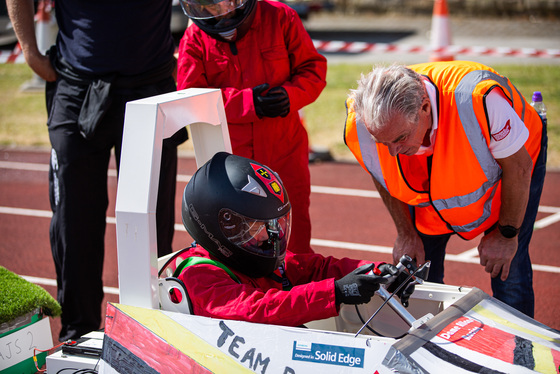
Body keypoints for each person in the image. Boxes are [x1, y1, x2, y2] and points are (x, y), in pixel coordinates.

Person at [6, 0, 188, 341]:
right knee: (74, 219)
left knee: (151, 223)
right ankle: (77, 332)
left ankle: (149, 332)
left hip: (151, 86)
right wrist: (29, 52)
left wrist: (188, 52)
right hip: (77, 86)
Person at [344, 61, 547, 318]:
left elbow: (519, 168)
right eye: (381, 142)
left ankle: (519, 355)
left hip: (512, 168)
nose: (392, 152)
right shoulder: (364, 122)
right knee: (417, 275)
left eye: (399, 139)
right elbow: (382, 173)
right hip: (433, 193)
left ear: (425, 108)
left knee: (510, 270)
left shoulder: (479, 100)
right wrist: (405, 233)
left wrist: (506, 234)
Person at [174, 152, 412, 325]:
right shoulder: (199, 274)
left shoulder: (256, 255)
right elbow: (257, 310)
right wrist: (335, 292)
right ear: (222, 227)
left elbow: (316, 268)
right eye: (256, 228)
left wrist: (376, 272)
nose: (270, 236)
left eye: (273, 225)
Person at [176, 0, 327, 254]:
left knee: (294, 232)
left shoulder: (280, 17)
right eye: (205, 7)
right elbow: (190, 97)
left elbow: (313, 69)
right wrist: (248, 103)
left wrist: (290, 96)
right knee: (235, 239)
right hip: (229, 162)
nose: (215, 14)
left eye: (221, 5)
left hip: (285, 149)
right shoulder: (195, 37)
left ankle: (299, 287)